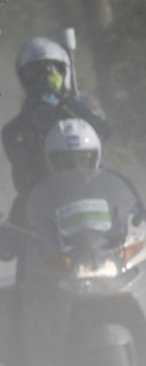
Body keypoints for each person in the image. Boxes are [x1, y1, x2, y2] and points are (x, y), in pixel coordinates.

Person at [13, 119, 146, 366]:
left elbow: (136, 217)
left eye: (84, 158)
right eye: (67, 160)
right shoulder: (34, 195)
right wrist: (11, 237)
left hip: (110, 262)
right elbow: (14, 233)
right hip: (64, 272)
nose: (77, 165)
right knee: (19, 290)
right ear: (52, 162)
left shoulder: (116, 185)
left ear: (96, 156)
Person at [3, 37, 109, 228]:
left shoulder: (81, 107)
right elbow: (15, 151)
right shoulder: (17, 126)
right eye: (33, 73)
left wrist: (65, 104)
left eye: (51, 69)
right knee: (12, 238)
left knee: (128, 206)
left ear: (65, 72)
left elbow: (104, 131)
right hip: (41, 199)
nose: (43, 77)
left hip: (90, 188)